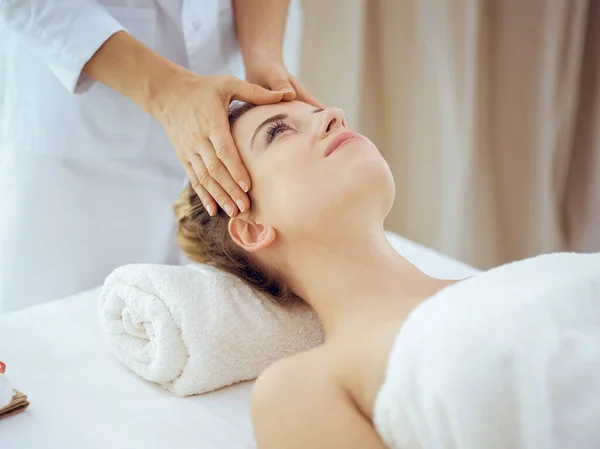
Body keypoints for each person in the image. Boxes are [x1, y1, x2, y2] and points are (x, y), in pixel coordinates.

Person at [174, 100, 600, 448]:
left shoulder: (516, 280)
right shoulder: (301, 387)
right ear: (251, 228)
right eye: (278, 131)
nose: (332, 114)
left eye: (317, 111)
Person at [0, 0, 319, 313]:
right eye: (276, 131)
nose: (332, 116)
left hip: (239, 49)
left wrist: (262, 56)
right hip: (84, 123)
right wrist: (165, 90)